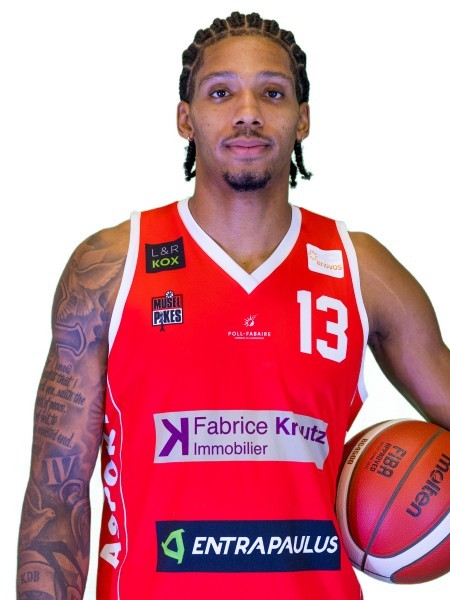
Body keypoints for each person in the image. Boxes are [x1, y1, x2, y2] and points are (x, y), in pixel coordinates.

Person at [17, 11, 449, 600]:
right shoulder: (111, 266)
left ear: (302, 119)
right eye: (221, 92)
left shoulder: (361, 269)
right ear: (185, 118)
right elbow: (56, 495)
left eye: (272, 92)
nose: (248, 111)